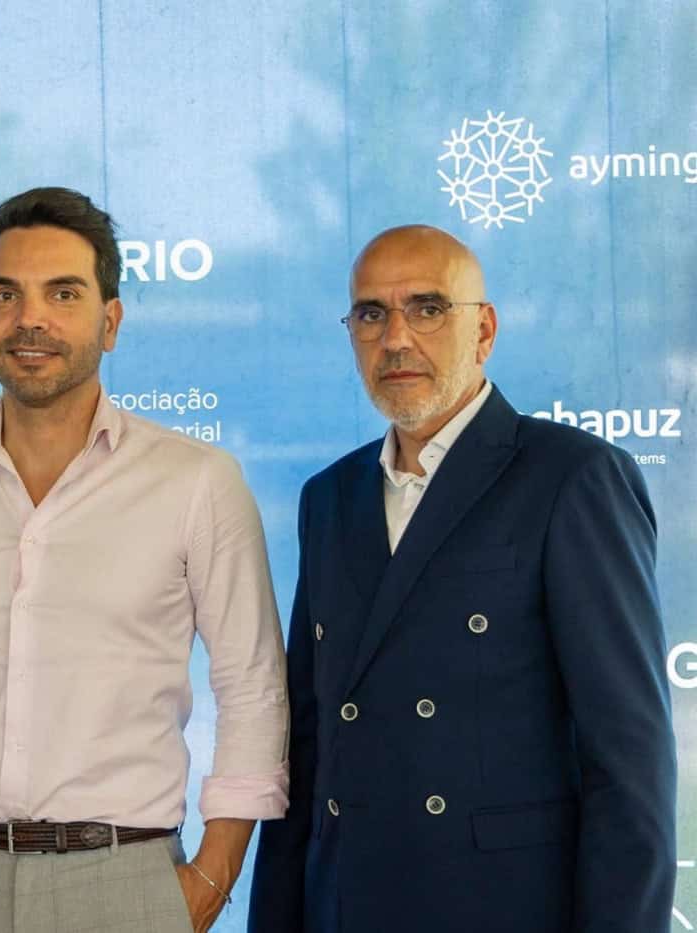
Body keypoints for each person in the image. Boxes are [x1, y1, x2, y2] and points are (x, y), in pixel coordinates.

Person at [0, 187, 289, 933]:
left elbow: (251, 682)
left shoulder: (196, 481)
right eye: (6, 294)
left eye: (63, 293)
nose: (30, 318)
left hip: (127, 880)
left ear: (110, 321)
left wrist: (211, 878)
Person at [248, 225, 677, 933]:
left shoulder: (572, 477)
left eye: (427, 308)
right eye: (371, 314)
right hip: (347, 904)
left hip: (501, 905)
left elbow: (629, 764)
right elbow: (309, 741)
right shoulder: (328, 497)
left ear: (484, 330)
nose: (395, 339)